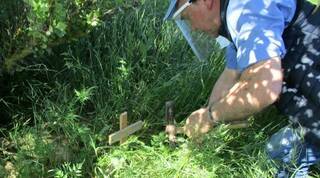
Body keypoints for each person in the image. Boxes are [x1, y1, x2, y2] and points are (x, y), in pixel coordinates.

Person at [164, 0, 320, 177]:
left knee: (274, 159)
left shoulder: (246, 11)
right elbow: (231, 75)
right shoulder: (237, 19)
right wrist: (205, 119)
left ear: (206, 2)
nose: (192, 28)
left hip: (313, 91)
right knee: (275, 154)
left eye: (186, 17)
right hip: (308, 104)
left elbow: (263, 89)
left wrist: (209, 117)